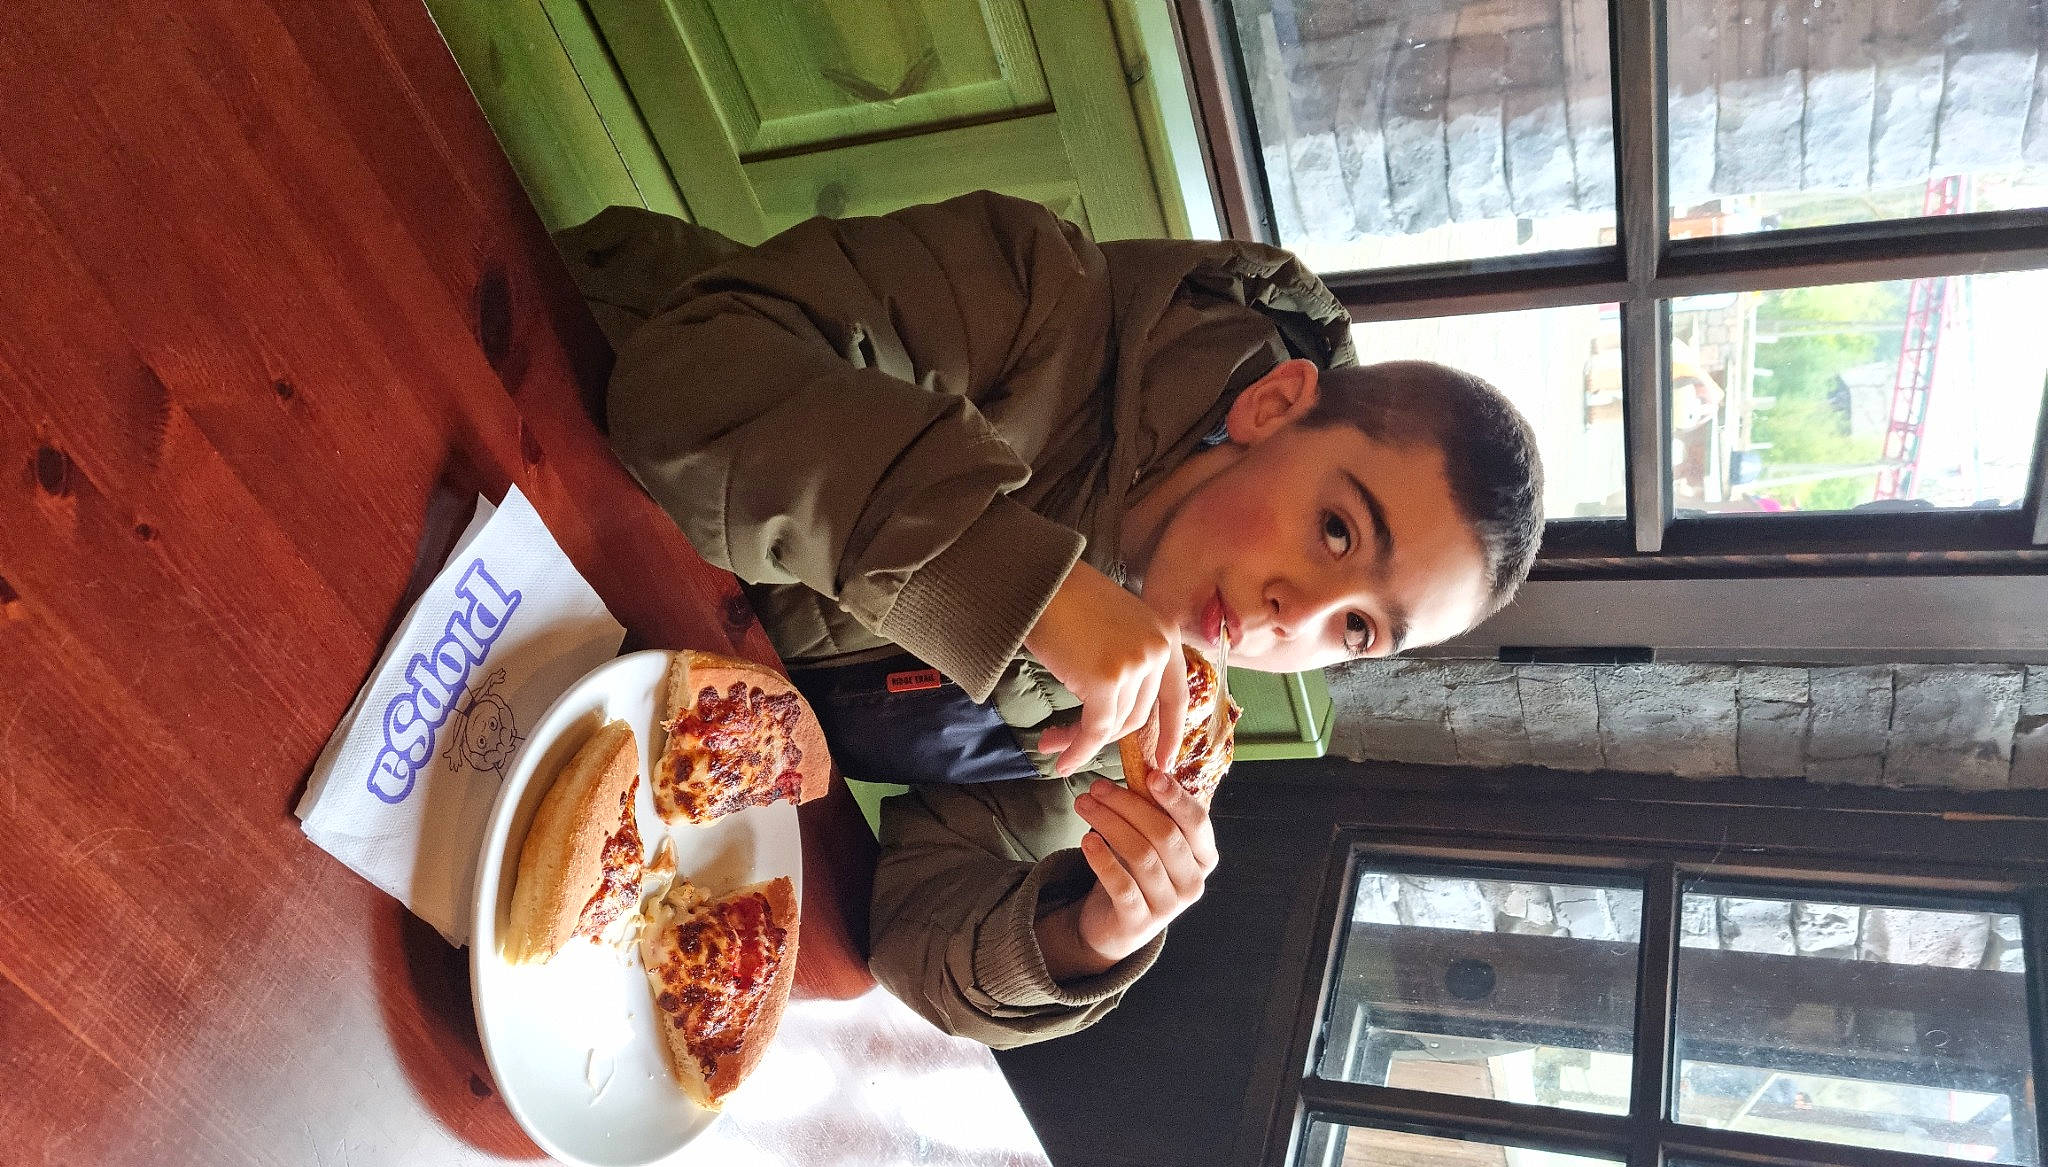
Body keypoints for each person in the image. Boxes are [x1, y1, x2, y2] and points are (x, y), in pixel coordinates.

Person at [555, 192, 1544, 1045]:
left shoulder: (1145, 727)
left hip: (593, 704)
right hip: (533, 409)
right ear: (1274, 406)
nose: (1299, 617)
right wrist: (1023, 589)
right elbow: (683, 387)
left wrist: (1090, 931)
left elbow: (903, 925)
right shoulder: (1042, 298)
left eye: (1357, 632)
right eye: (1334, 531)